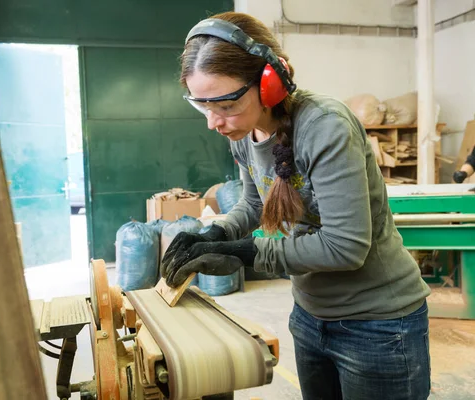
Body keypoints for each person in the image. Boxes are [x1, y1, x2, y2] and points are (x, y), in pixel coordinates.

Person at [160, 11, 431, 400]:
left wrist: (247, 252)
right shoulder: (242, 132)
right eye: (203, 106)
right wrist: (217, 232)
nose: (213, 122)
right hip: (309, 316)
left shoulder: (325, 126)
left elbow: (346, 247)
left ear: (270, 84)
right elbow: (254, 203)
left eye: (225, 105)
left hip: (379, 327)